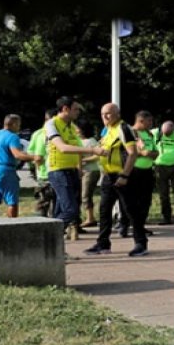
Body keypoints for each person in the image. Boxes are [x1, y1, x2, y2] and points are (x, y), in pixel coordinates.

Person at [84, 103, 146, 257]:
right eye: (103, 114)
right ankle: (103, 243)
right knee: (104, 210)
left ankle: (141, 243)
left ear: (117, 114)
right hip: (108, 176)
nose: (105, 116)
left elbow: (132, 153)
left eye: (108, 113)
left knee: (131, 210)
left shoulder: (123, 128)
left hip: (123, 175)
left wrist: (125, 175)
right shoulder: (108, 131)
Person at [46, 97, 105, 240]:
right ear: (65, 109)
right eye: (76, 109)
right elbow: (62, 147)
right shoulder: (52, 124)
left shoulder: (71, 126)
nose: (78, 112)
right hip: (58, 170)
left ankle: (54, 247)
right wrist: (93, 151)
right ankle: (46, 238)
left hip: (71, 171)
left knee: (63, 209)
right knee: (70, 210)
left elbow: (78, 148)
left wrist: (79, 167)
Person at [0, 114, 36, 218]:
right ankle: (12, 226)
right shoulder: (12, 136)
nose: (19, 127)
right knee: (11, 201)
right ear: (14, 124)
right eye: (19, 124)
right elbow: (17, 154)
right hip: (5, 169)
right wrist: (34, 157)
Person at [152, 120, 174, 225]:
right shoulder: (155, 133)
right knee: (164, 194)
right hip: (160, 167)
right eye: (164, 134)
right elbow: (140, 134)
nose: (165, 135)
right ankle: (166, 218)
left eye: (168, 133)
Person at [131, 111, 159, 234]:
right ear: (141, 121)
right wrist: (144, 153)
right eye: (149, 121)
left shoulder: (149, 134)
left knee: (145, 200)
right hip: (134, 170)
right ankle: (127, 225)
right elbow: (132, 152)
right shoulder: (132, 133)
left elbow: (155, 152)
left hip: (147, 171)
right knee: (133, 200)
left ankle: (140, 226)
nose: (151, 124)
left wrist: (146, 153)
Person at [28, 108, 58, 217]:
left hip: (45, 173)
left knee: (46, 203)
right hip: (46, 174)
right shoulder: (40, 134)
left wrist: (34, 168)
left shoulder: (37, 134)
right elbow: (35, 156)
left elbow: (32, 154)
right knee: (48, 203)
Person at [77, 120, 101, 228]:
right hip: (82, 171)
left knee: (86, 195)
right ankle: (87, 216)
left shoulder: (91, 141)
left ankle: (90, 218)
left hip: (91, 171)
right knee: (83, 195)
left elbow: (98, 155)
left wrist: (85, 160)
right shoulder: (78, 141)